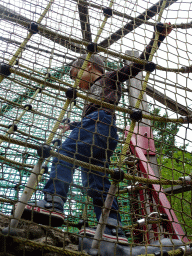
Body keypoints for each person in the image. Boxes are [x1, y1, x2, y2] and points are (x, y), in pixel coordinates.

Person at [21, 23, 172, 244]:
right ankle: (112, 227)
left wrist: (157, 38)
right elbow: (91, 115)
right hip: (102, 132)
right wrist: (73, 126)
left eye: (75, 76)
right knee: (97, 182)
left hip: (100, 123)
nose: (76, 83)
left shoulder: (109, 77)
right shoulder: (92, 93)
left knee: (63, 153)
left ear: (90, 66)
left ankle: (53, 203)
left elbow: (137, 65)